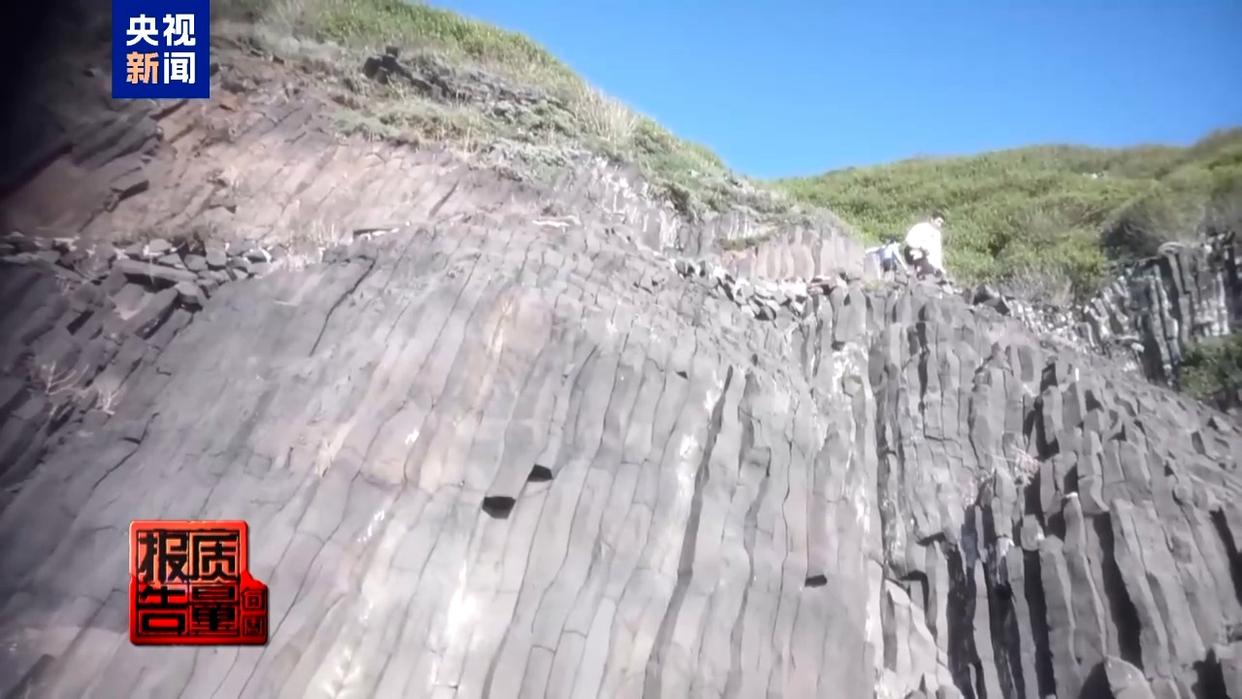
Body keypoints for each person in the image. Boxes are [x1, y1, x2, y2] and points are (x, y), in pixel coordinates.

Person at [903, 210, 947, 280]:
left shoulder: (937, 234)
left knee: (935, 272)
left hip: (926, 257)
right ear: (932, 220)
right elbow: (909, 240)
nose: (940, 224)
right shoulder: (921, 227)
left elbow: (937, 251)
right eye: (938, 221)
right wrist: (920, 248)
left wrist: (939, 266)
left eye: (941, 223)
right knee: (924, 269)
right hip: (913, 252)